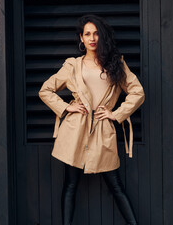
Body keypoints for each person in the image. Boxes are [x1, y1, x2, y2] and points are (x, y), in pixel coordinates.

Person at [38, 14, 145, 225]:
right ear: (81, 38)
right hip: (75, 130)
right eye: (87, 34)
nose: (92, 38)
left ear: (102, 36)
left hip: (103, 130)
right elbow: (46, 90)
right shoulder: (73, 65)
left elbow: (137, 92)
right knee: (70, 185)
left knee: (116, 186)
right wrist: (67, 107)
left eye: (96, 33)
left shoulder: (116, 63)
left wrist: (116, 114)